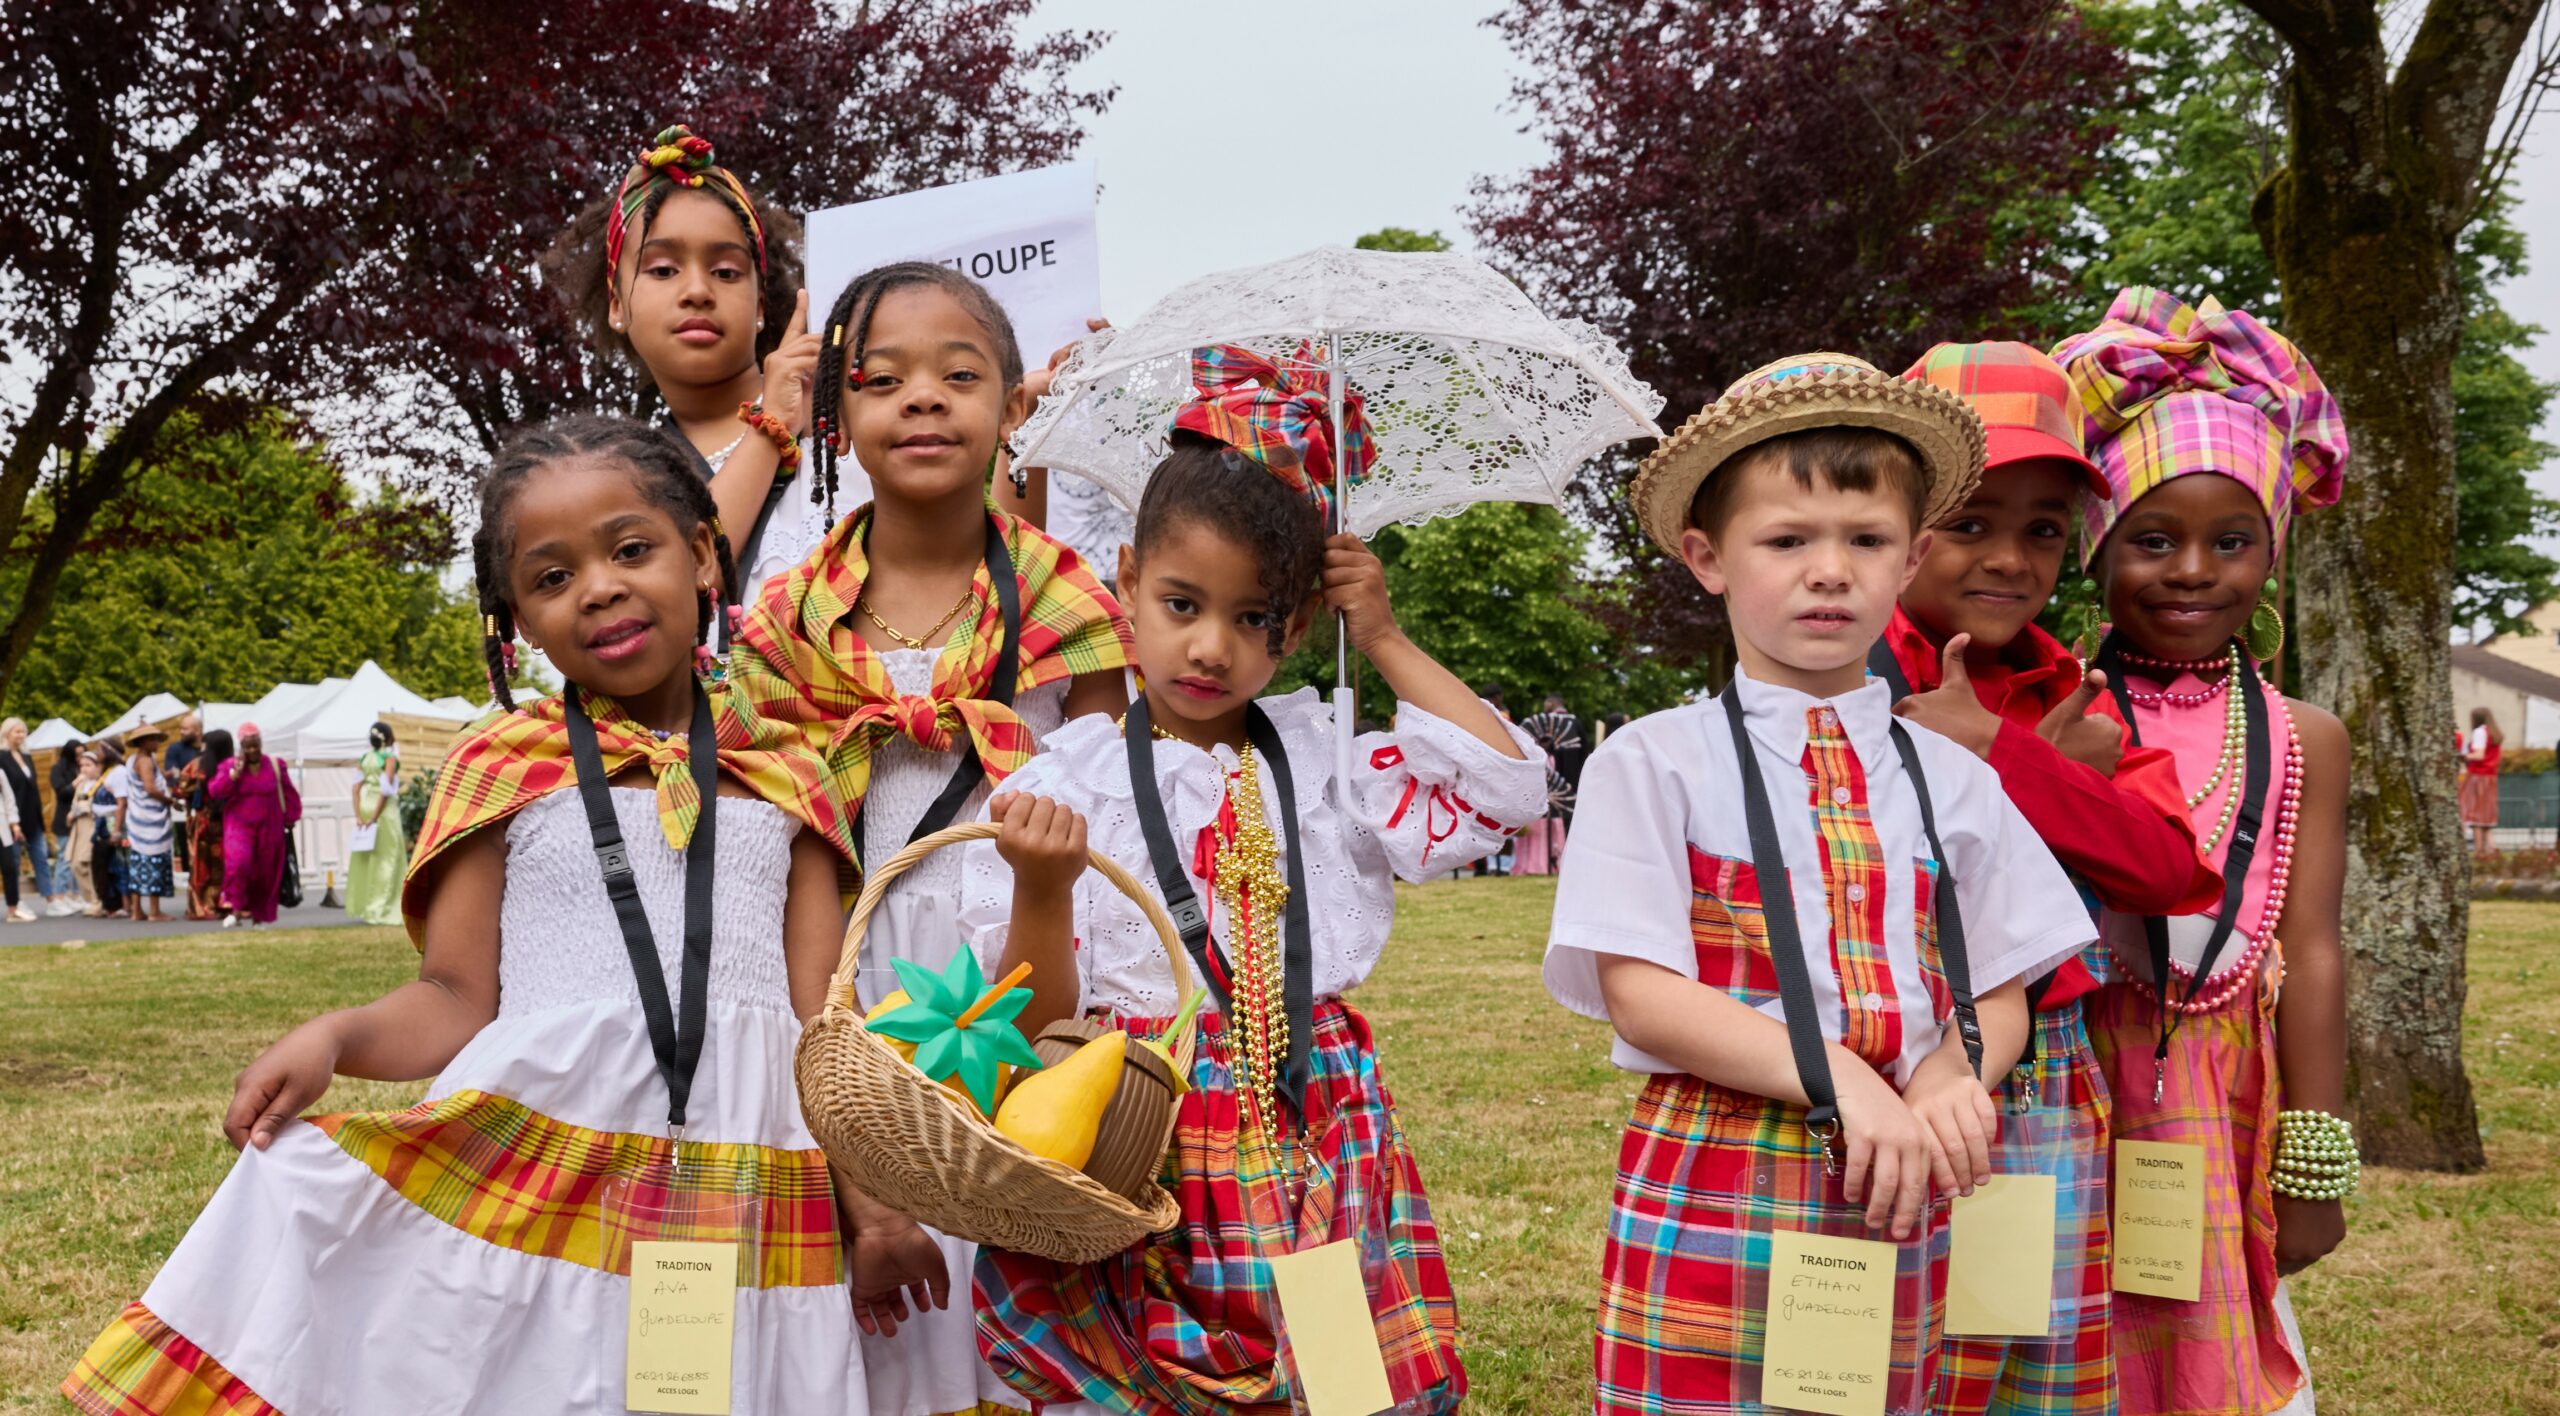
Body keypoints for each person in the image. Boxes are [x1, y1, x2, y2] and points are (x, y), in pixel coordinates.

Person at [63, 416, 872, 1414]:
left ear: (702, 554)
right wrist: (334, 1038)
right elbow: (453, 997)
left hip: (748, 1178)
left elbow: (824, 1028)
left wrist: (875, 1213)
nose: (599, 588)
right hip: (536, 1173)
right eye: (552, 577)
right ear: (515, 621)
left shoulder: (788, 772)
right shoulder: (502, 768)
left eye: (631, 549)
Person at [961, 356, 1545, 1416]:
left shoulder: (1323, 761)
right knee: (1150, 1370)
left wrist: (1383, 636)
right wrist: (1041, 886)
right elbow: (1029, 1024)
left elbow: (1508, 787)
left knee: (1336, 1381)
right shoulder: (1069, 782)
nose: (1210, 647)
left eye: (1253, 618)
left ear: (1300, 623)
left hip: (1308, 1111)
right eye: (1182, 603)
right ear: (1127, 579)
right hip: (1133, 1122)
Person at [1544, 354, 2097, 1415]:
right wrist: (1843, 1078)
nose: (1830, 571)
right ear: (1707, 558)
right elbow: (1641, 993)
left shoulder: (1952, 777)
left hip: (1905, 1170)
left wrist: (1955, 1075)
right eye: (1787, 540)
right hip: (1720, 1165)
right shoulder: (1654, 762)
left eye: (1866, 540)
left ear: (1912, 556)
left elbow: (2004, 981)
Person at [727, 258, 1132, 1416]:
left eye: (959, 375)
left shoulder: (1068, 599)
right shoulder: (788, 619)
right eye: (882, 378)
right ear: (836, 416)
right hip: (840, 970)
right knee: (879, 1297)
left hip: (1026, 958)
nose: (922, 398)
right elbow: (774, 851)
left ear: (1011, 407)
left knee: (1021, 1237)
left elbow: (1112, 818)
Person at [1877, 341, 2225, 1416]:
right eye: (1970, 523)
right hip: (1870, 1063)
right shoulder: (1836, 668)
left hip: (2035, 1080)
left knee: (2016, 1355)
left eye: (2041, 529)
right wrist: (2052, 786)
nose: (2010, 559)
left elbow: (2172, 872)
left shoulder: (2070, 693)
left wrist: (2005, 756)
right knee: (1868, 1356)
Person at [2055, 289, 2351, 1416]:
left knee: (2200, 1346)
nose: (2191, 570)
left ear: (2271, 555)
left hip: (2220, 1085)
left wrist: (2314, 1163)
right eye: (2152, 539)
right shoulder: (2052, 712)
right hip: (2063, 1068)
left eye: (2232, 542)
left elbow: (2310, 947)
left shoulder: (2302, 736)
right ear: (2096, 550)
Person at [546, 123, 826, 602]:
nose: (697, 290)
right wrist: (771, 426)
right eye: (663, 270)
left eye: (726, 272)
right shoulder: (616, 479)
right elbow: (680, 590)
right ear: (617, 305)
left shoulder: (844, 427)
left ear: (760, 306)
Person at [206, 724, 300, 928]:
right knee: (239, 863)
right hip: (239, 826)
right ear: (241, 747)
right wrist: (233, 775)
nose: (252, 750)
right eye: (247, 746)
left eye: (255, 745)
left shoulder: (275, 765)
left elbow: (288, 791)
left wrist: (291, 816)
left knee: (265, 872)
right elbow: (215, 791)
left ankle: (259, 918)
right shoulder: (230, 766)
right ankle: (236, 908)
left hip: (270, 826)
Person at [343, 721, 410, 926]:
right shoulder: (389, 758)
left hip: (365, 804)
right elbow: (385, 790)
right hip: (383, 810)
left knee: (367, 858)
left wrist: (358, 815)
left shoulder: (365, 758)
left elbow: (355, 788)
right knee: (388, 857)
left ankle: (365, 905)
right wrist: (374, 817)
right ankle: (380, 907)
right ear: (388, 737)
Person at [1, 716, 68, 918]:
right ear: (7, 733)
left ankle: (51, 899)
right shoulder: (1, 757)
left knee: (41, 859)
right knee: (13, 862)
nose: (21, 735)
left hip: (33, 817)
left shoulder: (27, 756)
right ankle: (16, 901)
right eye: (17, 731)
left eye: (23, 731)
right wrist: (12, 821)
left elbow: (33, 788)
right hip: (12, 819)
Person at [110, 727, 178, 922]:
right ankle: (154, 911)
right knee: (153, 860)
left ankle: (136, 910)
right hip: (149, 821)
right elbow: (149, 788)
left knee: (137, 864)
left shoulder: (134, 760)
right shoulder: (145, 761)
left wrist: (166, 776)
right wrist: (169, 801)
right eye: (153, 740)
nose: (157, 743)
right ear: (144, 742)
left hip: (137, 820)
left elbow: (154, 778)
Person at [1516, 694, 1583, 876]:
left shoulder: (1548, 733)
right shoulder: (1575, 724)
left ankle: (1536, 863)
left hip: (1545, 791)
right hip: (1565, 786)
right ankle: (1553, 862)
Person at [181, 730, 234, 920]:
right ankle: (227, 902)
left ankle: (201, 906)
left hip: (204, 820)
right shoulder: (233, 766)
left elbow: (181, 789)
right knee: (227, 863)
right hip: (228, 820)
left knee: (201, 865)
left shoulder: (196, 766)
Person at [66, 748, 107, 917]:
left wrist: (78, 810)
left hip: (93, 827)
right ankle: (90, 899)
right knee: (76, 864)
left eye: (88, 765)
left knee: (89, 863)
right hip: (79, 829)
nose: (84, 769)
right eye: (81, 765)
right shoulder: (81, 785)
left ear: (98, 767)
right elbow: (74, 804)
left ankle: (98, 900)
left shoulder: (102, 784)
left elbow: (93, 806)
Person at [2463, 706, 2503, 855]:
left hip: (2478, 776)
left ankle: (2479, 852)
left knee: (2477, 818)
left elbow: (2479, 755)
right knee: (2486, 818)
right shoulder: (2494, 734)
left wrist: (2463, 756)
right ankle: (2490, 850)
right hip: (2491, 777)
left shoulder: (2479, 732)